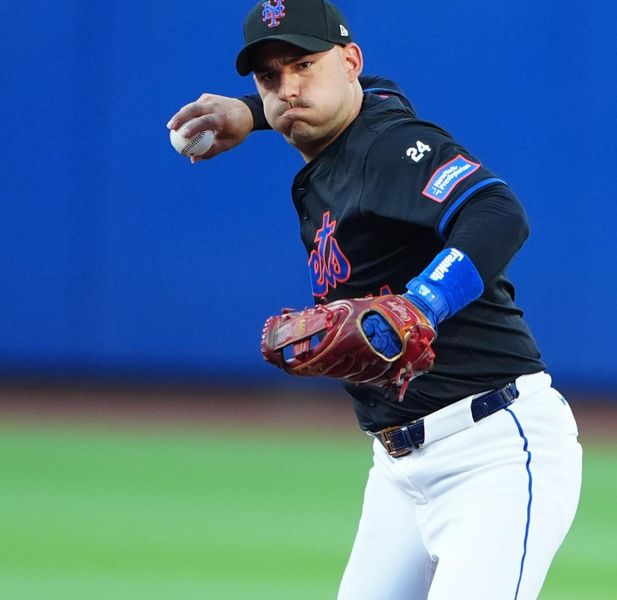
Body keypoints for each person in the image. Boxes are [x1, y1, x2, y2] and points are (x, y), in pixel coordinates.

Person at [167, 1, 582, 598]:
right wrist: (250, 112)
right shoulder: (357, 121)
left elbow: (498, 212)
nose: (288, 88)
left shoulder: (389, 146)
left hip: (494, 453)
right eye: (269, 76)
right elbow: (351, 94)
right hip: (398, 473)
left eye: (304, 65)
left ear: (349, 60)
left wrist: (422, 306)